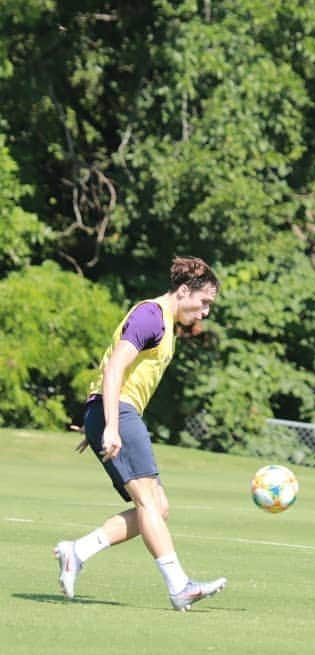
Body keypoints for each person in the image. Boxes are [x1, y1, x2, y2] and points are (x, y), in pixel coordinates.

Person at [53, 256, 227, 612]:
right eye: (204, 302)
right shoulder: (150, 315)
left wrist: (97, 422)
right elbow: (115, 366)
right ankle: (179, 586)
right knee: (149, 503)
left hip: (114, 412)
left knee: (157, 507)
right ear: (183, 291)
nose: (205, 312)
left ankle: (77, 552)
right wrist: (110, 424)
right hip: (121, 413)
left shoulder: (164, 322)